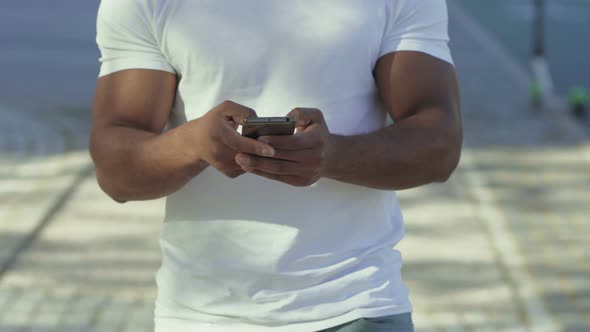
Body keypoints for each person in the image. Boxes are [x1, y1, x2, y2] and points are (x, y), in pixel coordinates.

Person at [90, 0, 462, 331]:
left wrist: (334, 156)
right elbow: (116, 171)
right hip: (200, 315)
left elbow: (440, 145)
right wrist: (192, 144)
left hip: (359, 305)